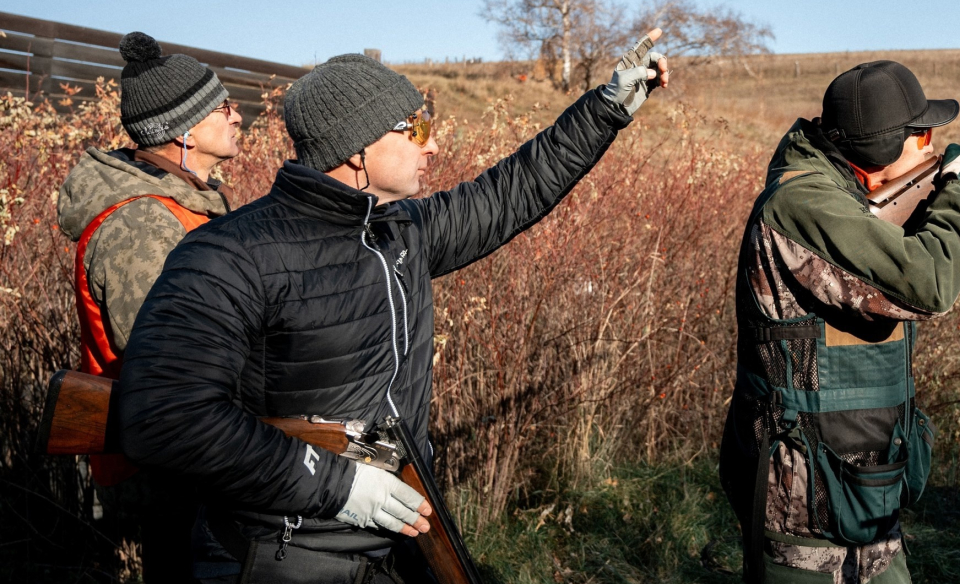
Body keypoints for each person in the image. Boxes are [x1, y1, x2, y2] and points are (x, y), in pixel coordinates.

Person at [116, 31, 668, 582]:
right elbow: (167, 416)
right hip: (279, 555)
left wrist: (607, 108)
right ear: (357, 146)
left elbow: (511, 191)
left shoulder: (399, 232)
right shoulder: (229, 254)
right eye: (416, 129)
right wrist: (342, 486)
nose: (432, 147)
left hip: (394, 543)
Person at [717, 60, 960, 583]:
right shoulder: (804, 206)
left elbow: (952, 232)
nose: (932, 142)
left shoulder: (852, 200)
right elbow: (929, 281)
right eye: (921, 133)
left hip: (870, 508)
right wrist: (959, 186)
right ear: (881, 148)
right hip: (803, 531)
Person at [56, 31, 242, 583]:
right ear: (181, 129)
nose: (238, 116)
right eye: (222, 106)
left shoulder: (184, 205)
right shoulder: (141, 223)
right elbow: (165, 355)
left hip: (196, 444)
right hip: (167, 459)